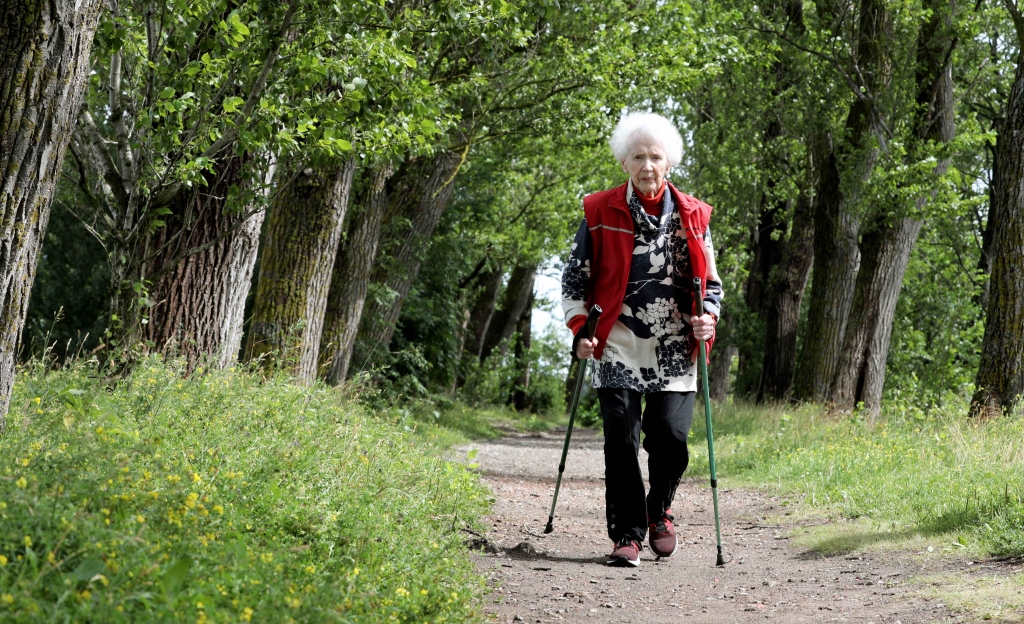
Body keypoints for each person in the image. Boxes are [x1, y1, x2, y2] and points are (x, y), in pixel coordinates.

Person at [561, 112, 723, 567]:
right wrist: (581, 332)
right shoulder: (599, 211)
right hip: (617, 339)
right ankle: (627, 534)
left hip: (675, 344)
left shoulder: (694, 215)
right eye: (638, 157)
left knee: (670, 437)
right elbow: (575, 279)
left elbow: (711, 284)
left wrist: (707, 318)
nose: (647, 165)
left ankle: (660, 510)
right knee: (620, 437)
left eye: (655, 157)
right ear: (624, 163)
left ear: (669, 163)